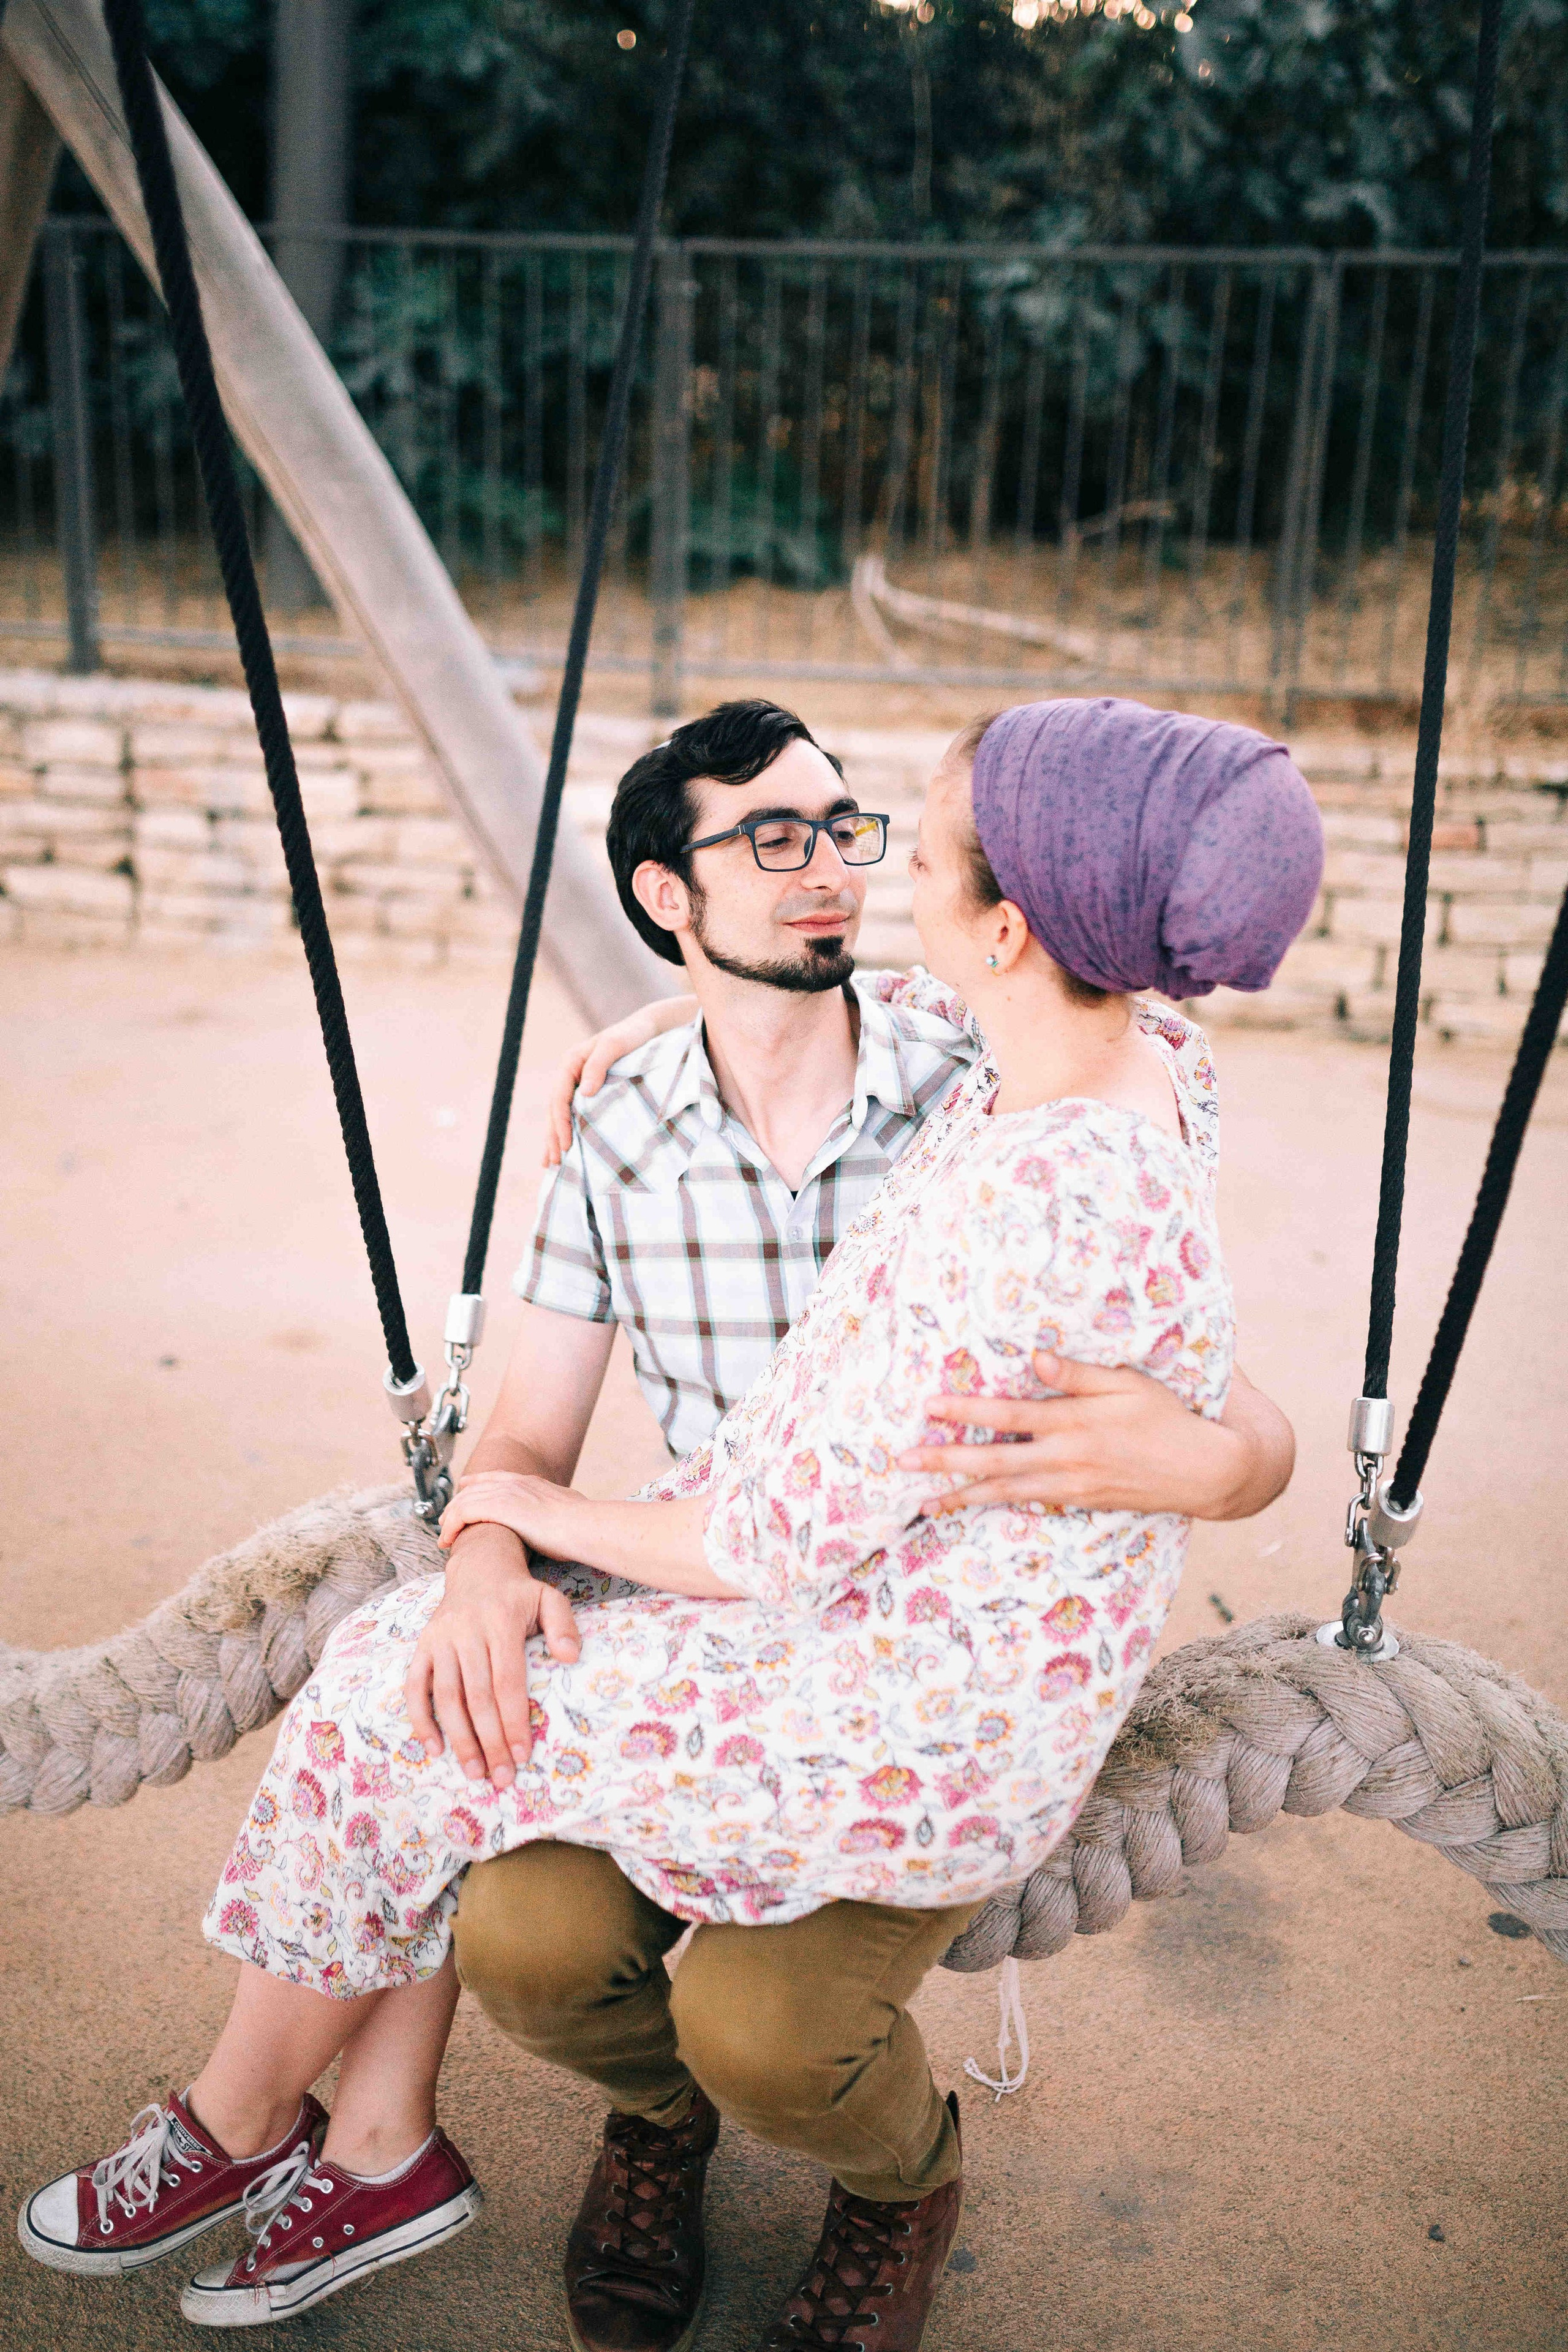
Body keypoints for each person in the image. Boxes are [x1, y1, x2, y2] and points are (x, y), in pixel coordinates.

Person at [18, 698, 1321, 2350]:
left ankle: (261, 2124)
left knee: (396, 1710)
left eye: (872, 837)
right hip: (822, 1616)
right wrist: (688, 1017)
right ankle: (430, 2137)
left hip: (890, 1673)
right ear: (667, 896)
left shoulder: (990, 1131)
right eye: (777, 840)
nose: (849, 874)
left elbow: (780, 1532)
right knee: (508, 1879)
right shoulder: (1071, 1059)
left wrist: (1232, 1462)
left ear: (1005, 927)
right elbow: (1088, 1010)